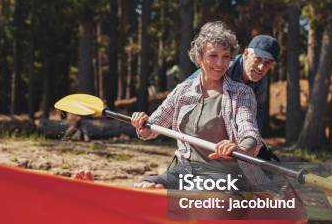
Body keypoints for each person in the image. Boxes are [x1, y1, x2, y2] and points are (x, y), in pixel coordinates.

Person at [77, 22, 266, 190]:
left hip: (225, 178)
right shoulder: (182, 91)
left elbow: (250, 133)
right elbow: (152, 128)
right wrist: (142, 124)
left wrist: (240, 149)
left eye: (226, 57)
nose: (220, 63)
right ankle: (94, 194)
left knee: (176, 193)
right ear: (199, 57)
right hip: (184, 173)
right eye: (213, 55)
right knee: (148, 186)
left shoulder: (241, 93)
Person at [186, 34, 279, 161]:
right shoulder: (223, 68)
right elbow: (189, 88)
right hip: (203, 128)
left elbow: (257, 115)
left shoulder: (261, 81)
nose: (261, 68)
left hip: (238, 137)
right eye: (257, 59)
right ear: (246, 54)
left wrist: (253, 144)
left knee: (267, 161)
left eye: (267, 63)